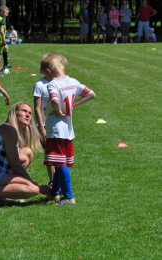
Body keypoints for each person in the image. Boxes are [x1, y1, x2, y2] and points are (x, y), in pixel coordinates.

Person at [0, 102, 51, 211]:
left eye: (30, 113)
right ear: (15, 113)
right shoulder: (8, 129)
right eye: (24, 111)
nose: (28, 115)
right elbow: (15, 165)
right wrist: (36, 185)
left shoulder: (13, 132)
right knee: (32, 189)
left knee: (27, 153)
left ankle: (1, 196)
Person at [40, 52, 96, 205]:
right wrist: (73, 105)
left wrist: (57, 110)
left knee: (60, 163)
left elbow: (54, 100)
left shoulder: (53, 84)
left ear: (49, 70)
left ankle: (69, 197)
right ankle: (54, 193)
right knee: (60, 161)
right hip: (68, 129)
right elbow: (91, 94)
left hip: (55, 128)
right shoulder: (73, 82)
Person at [33, 77, 55, 184]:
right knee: (49, 152)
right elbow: (37, 107)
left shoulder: (60, 82)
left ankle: (57, 181)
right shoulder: (40, 85)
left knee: (58, 153)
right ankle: (52, 181)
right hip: (44, 124)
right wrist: (41, 127)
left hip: (56, 123)